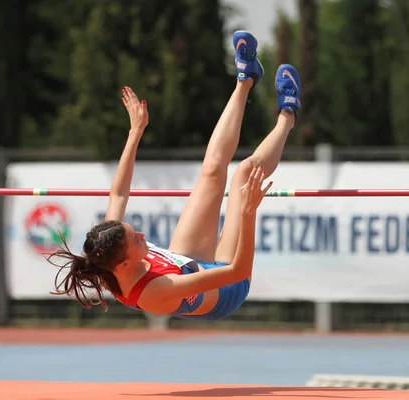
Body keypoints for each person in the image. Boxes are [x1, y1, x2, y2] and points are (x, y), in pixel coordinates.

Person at [46, 31, 301, 320]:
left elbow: (118, 194)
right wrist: (248, 212)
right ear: (125, 265)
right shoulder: (155, 291)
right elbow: (237, 271)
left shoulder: (109, 253)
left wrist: (135, 133)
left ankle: (246, 78)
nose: (143, 234)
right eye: (136, 240)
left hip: (186, 261)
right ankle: (288, 116)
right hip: (228, 285)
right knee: (243, 174)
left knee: (212, 170)